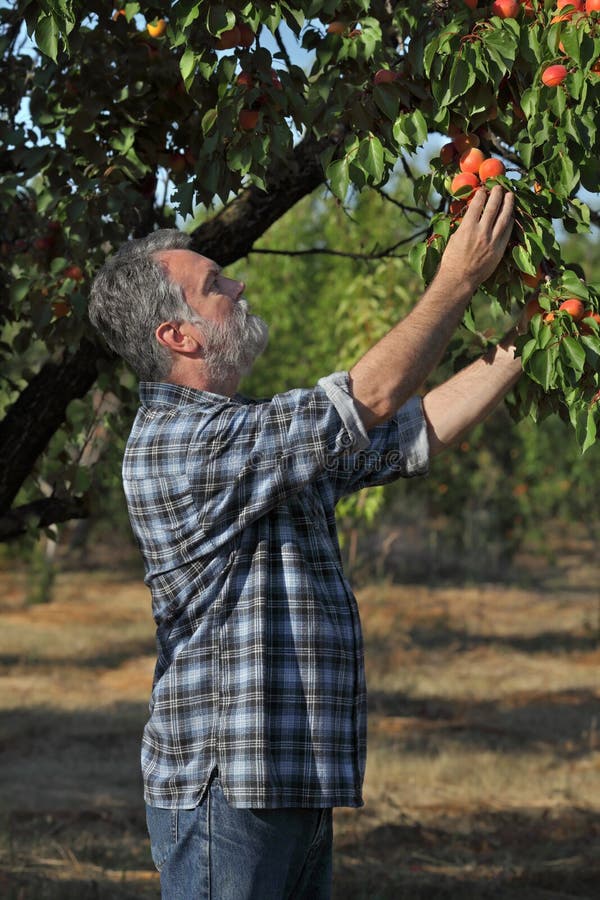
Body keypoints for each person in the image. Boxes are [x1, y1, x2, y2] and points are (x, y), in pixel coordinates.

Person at [88, 185, 519, 899]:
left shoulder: (248, 438)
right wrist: (458, 280)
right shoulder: (181, 445)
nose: (239, 284)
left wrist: (529, 340)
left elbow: (404, 433)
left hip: (286, 777)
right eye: (214, 284)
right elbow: (369, 398)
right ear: (179, 335)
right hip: (228, 788)